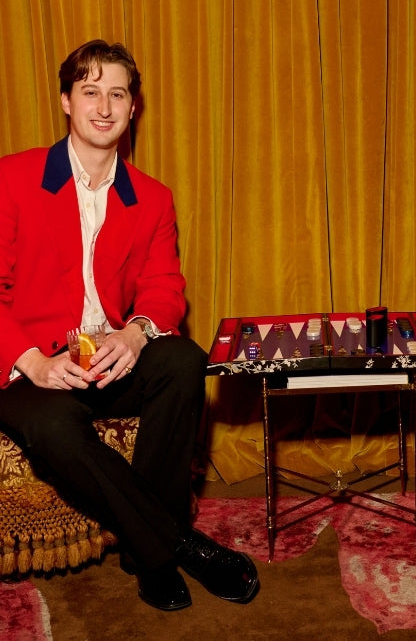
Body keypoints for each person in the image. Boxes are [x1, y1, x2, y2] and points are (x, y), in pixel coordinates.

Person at [0, 40, 259, 611]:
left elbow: (165, 287)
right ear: (66, 101)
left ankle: (147, 553)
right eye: (90, 92)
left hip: (106, 356)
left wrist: (137, 332)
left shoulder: (153, 197)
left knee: (184, 359)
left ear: (133, 107)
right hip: (31, 368)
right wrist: (34, 362)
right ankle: (170, 549)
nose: (104, 107)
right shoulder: (12, 178)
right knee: (54, 425)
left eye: (117, 94)